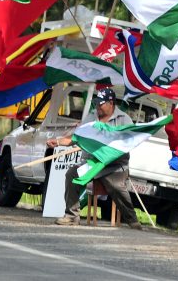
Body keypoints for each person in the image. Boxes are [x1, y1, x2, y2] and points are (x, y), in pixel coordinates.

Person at [47, 88, 142, 229]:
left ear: (111, 103)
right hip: (93, 163)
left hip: (114, 165)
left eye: (101, 104)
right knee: (72, 174)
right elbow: (78, 136)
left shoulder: (124, 119)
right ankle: (72, 216)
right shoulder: (91, 117)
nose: (97, 106)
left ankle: (132, 220)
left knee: (115, 186)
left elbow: (130, 142)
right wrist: (59, 141)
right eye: (96, 103)